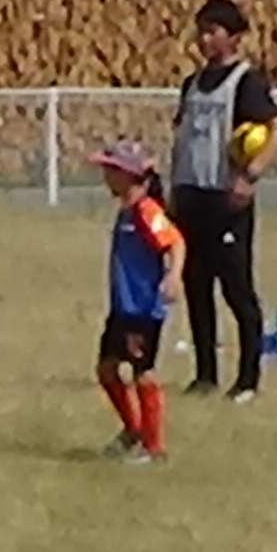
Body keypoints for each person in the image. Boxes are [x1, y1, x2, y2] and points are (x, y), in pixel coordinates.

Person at [168, 0, 277, 400]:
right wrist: (172, 191)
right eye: (200, 30)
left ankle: (248, 379)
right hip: (190, 195)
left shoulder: (246, 82)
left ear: (233, 38)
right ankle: (205, 375)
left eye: (212, 31)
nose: (203, 38)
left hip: (226, 200)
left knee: (237, 290)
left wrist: (250, 176)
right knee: (196, 288)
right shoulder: (192, 84)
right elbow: (180, 138)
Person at [92, 140, 187, 464]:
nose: (105, 175)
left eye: (110, 169)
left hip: (143, 310)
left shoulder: (147, 211)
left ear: (127, 175)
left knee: (143, 373)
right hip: (123, 308)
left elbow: (175, 242)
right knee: (106, 370)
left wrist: (173, 276)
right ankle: (134, 431)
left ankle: (153, 446)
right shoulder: (126, 210)